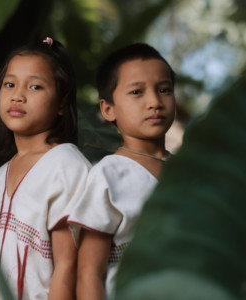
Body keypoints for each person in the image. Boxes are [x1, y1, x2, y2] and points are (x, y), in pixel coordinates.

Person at [0, 37, 91, 300]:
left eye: (35, 86)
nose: (18, 95)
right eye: (10, 84)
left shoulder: (65, 168)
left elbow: (67, 267)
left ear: (62, 102)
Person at [68, 43, 176, 299]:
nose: (155, 102)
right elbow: (89, 273)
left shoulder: (189, 172)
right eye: (137, 91)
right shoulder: (108, 175)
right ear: (108, 109)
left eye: (164, 89)